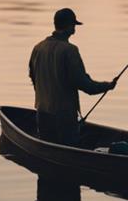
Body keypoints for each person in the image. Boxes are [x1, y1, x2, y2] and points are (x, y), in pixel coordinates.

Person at [28, 8, 116, 146]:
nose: (74, 27)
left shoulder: (38, 48)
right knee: (69, 147)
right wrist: (108, 86)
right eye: (74, 24)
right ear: (70, 26)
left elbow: (33, 78)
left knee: (49, 148)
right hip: (63, 117)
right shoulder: (69, 50)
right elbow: (86, 86)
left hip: (42, 113)